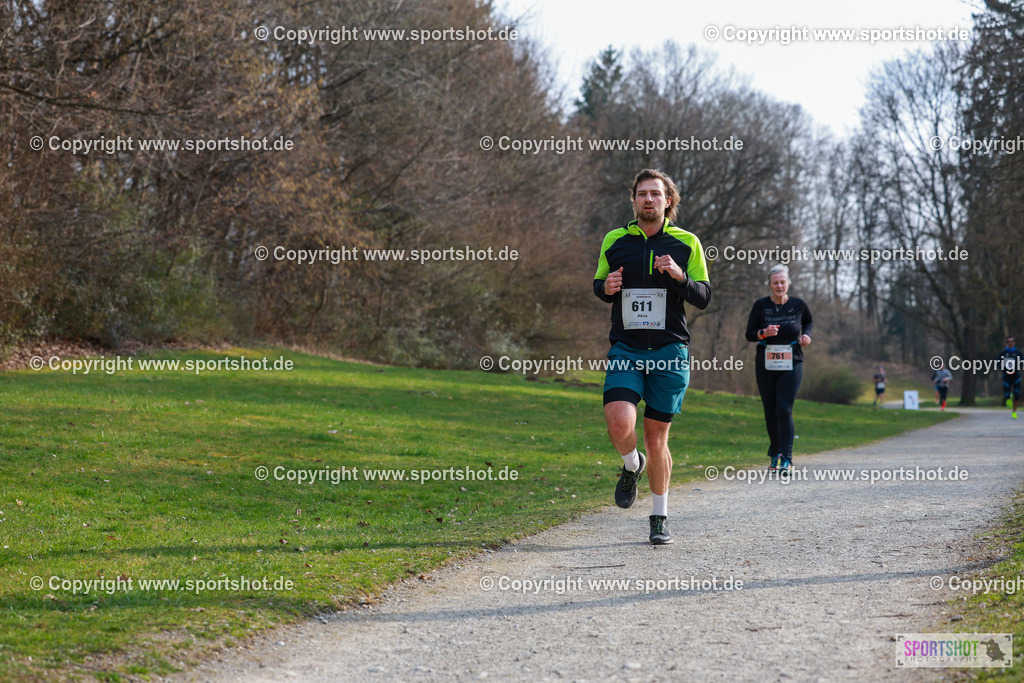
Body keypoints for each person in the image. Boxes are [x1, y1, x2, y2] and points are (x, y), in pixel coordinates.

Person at [593, 168, 711, 545]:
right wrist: (605, 288)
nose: (648, 199)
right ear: (633, 200)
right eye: (642, 193)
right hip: (626, 348)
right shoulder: (614, 240)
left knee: (655, 436)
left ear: (668, 201)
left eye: (655, 194)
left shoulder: (686, 243)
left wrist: (679, 276)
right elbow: (600, 283)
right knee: (618, 422)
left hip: (669, 351)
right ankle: (632, 465)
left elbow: (703, 296)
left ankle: (658, 517)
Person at [745, 264, 813, 476]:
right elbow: (749, 334)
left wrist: (806, 335)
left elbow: (808, 322)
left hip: (792, 360)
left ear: (788, 283)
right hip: (766, 361)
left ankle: (787, 457)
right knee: (770, 411)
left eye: (782, 282)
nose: (779, 285)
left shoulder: (798, 305)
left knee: (784, 409)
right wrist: (763, 333)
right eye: (775, 282)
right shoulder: (760, 305)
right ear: (769, 285)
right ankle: (775, 453)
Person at [998, 336, 1023, 418]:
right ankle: (1008, 398)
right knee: (1007, 393)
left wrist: (1019, 366)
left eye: (1012, 341)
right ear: (1007, 343)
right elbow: (998, 363)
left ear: (1014, 342)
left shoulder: (1018, 352)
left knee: (1017, 394)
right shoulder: (1003, 352)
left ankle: (1014, 412)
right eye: (1009, 341)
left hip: (1016, 376)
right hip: (1007, 376)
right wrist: (1002, 368)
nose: (1011, 343)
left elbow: (1022, 362)